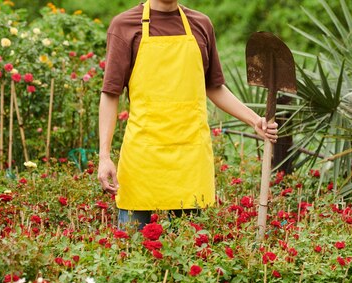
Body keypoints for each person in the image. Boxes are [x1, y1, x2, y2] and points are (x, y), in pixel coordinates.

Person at [97, 0, 278, 229]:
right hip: (143, 157)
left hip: (190, 157)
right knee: (131, 249)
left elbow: (213, 86)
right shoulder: (124, 25)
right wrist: (104, 156)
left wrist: (255, 120)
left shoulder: (200, 24)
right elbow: (110, 93)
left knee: (189, 251)